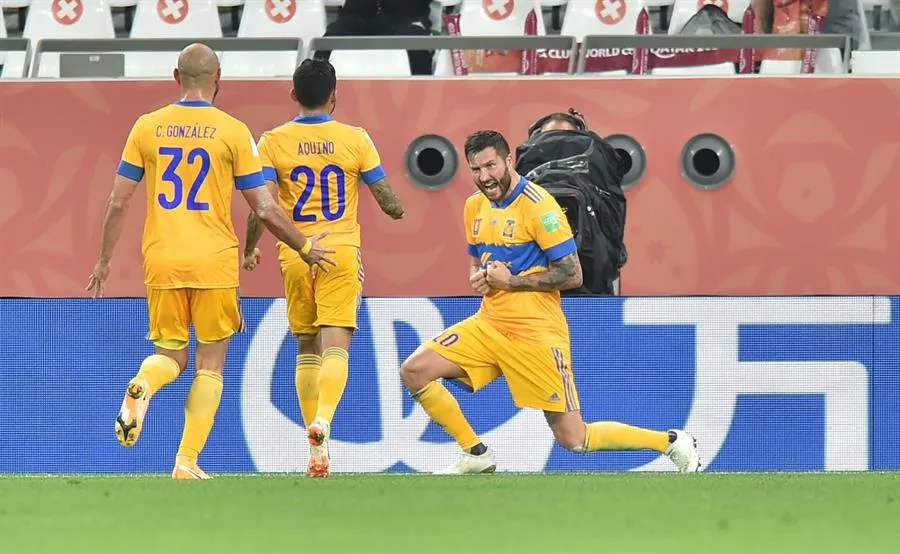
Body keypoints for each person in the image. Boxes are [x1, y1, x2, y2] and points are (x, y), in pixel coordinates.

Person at [85, 43, 334, 480]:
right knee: (210, 363)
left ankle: (145, 383)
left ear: (175, 76)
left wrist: (104, 261)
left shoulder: (147, 127)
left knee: (169, 355)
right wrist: (304, 246)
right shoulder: (233, 131)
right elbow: (264, 207)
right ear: (219, 76)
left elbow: (118, 201)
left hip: (161, 259)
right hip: (214, 262)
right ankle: (186, 460)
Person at [399, 130, 701, 474]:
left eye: (490, 166)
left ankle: (671, 442)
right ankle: (476, 453)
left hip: (536, 332)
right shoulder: (474, 206)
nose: (484, 177)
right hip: (489, 323)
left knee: (574, 438)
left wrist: (512, 282)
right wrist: (478, 277)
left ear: (508, 160)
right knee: (415, 371)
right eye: (476, 169)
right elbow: (476, 260)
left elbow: (572, 275)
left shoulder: (540, 206)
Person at [242, 58, 405, 478]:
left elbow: (262, 206)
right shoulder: (355, 138)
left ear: (293, 94)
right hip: (340, 251)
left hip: (296, 251)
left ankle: (313, 449)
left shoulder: (273, 140)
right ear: (335, 95)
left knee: (306, 346)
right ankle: (324, 421)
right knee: (337, 346)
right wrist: (395, 207)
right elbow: (387, 200)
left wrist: (250, 250)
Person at [313, 0, 434, 75]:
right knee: (330, 39)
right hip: (359, 17)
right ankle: (310, 93)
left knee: (414, 43)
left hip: (407, 18)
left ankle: (424, 95)